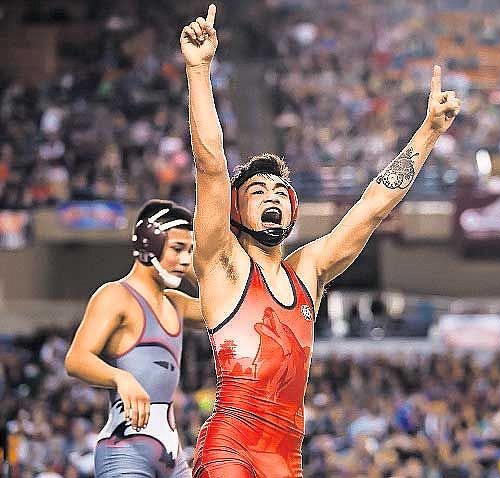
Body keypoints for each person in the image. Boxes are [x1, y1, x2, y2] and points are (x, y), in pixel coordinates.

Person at [180, 5, 461, 477]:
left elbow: (372, 209)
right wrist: (198, 70)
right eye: (257, 190)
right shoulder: (222, 262)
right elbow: (210, 166)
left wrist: (429, 132)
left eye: (280, 192)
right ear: (235, 209)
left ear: (293, 210)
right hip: (231, 445)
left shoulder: (307, 269)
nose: (271, 197)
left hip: (286, 455)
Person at [64, 199, 202, 478]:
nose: (186, 260)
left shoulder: (176, 303)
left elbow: (224, 309)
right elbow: (76, 359)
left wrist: (187, 265)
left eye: (190, 251)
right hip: (125, 453)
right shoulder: (116, 296)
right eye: (177, 249)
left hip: (172, 457)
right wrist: (120, 377)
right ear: (150, 244)